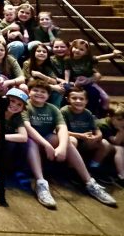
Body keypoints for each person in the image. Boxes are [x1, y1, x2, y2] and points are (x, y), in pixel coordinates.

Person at [23, 79, 116, 208]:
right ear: (29, 92)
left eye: (43, 91)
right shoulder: (25, 107)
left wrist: (61, 146)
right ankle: (41, 183)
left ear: (48, 95)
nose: (39, 93)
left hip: (47, 142)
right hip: (29, 145)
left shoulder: (52, 109)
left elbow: (62, 128)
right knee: (31, 141)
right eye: (35, 90)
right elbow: (28, 129)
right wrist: (46, 145)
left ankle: (89, 182)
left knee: (66, 142)